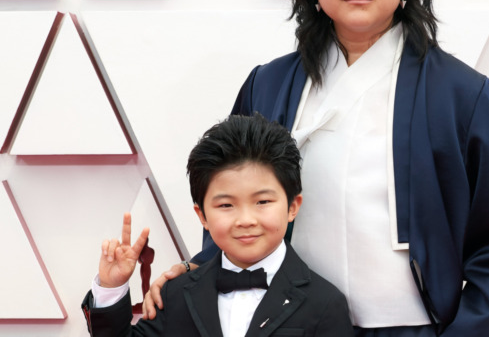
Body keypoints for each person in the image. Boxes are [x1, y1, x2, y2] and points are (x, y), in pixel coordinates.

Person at [145, 0, 489, 335]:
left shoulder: (462, 95)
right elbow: (233, 200)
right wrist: (197, 275)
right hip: (286, 326)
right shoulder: (268, 85)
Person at [81, 114, 353, 336]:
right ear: (202, 216)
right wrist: (111, 288)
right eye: (226, 205)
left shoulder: (325, 302)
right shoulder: (175, 294)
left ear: (292, 206)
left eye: (262, 202)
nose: (246, 220)